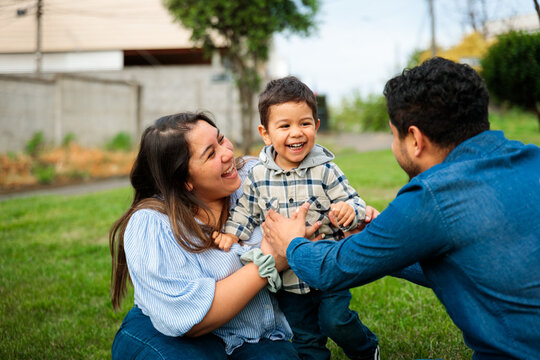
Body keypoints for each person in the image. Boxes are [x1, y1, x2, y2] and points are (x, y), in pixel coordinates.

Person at [261, 57, 540, 359]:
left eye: (394, 136)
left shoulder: (431, 195)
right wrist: (382, 240)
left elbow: (333, 270)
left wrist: (292, 244)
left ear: (415, 139)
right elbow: (465, 264)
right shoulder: (532, 159)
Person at [109, 112, 303, 359]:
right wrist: (271, 260)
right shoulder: (152, 223)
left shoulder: (256, 176)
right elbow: (190, 319)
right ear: (185, 180)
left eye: (221, 139)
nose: (228, 153)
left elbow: (309, 205)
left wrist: (348, 215)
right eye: (211, 154)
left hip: (255, 334)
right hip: (174, 337)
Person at [215, 76, 380, 360]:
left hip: (328, 269)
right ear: (265, 133)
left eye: (304, 123)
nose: (296, 133)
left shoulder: (325, 170)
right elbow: (245, 209)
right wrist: (232, 232)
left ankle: (366, 349)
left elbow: (354, 201)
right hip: (289, 282)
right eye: (285, 126)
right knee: (305, 339)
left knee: (335, 321)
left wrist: (349, 210)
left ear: (316, 126)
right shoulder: (258, 176)